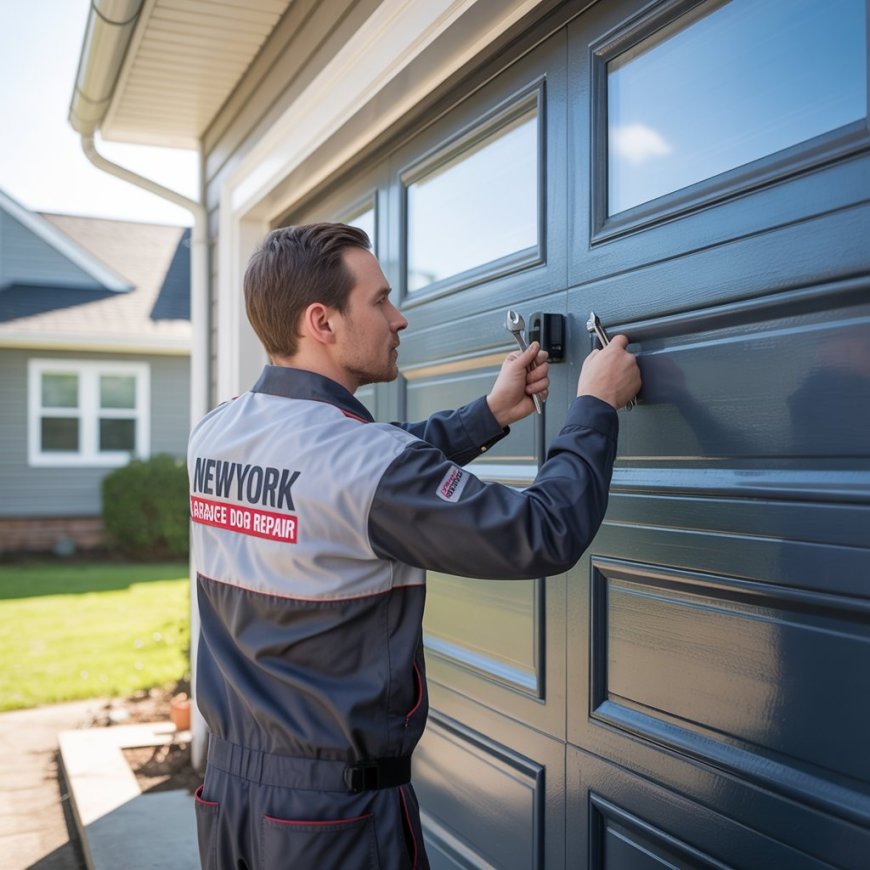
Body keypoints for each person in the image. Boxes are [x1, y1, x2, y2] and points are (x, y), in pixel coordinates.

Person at [188, 223, 641, 870]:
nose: (398, 319)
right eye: (379, 301)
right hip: (329, 824)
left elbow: (354, 471)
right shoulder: (364, 463)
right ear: (322, 321)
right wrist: (595, 402)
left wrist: (487, 414)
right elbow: (544, 532)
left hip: (228, 799)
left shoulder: (216, 431)